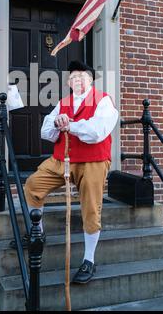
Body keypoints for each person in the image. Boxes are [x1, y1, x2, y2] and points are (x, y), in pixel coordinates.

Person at [24, 60, 118, 284]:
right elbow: (45, 132)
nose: (78, 81)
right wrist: (57, 123)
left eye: (83, 77)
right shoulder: (63, 102)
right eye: (74, 77)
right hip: (62, 160)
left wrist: (70, 125)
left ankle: (89, 259)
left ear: (90, 81)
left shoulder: (103, 101)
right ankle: (39, 232)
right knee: (33, 186)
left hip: (92, 161)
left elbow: (97, 131)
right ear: (69, 82)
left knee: (91, 208)